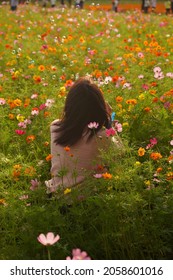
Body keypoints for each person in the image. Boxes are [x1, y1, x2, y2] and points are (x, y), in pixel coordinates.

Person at [45, 77, 121, 193]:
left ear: (69, 105)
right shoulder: (101, 136)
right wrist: (109, 122)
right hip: (89, 200)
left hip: (58, 197)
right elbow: (121, 154)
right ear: (99, 108)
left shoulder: (55, 128)